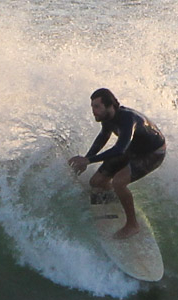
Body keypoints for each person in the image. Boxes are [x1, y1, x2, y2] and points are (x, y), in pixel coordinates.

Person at [67, 88, 166, 239]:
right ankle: (116, 199)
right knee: (96, 182)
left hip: (152, 153)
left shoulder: (128, 119)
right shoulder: (107, 118)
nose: (94, 111)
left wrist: (88, 160)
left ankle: (133, 225)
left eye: (97, 106)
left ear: (110, 106)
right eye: (92, 106)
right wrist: (87, 158)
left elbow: (120, 149)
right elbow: (103, 137)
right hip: (132, 149)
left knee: (119, 182)